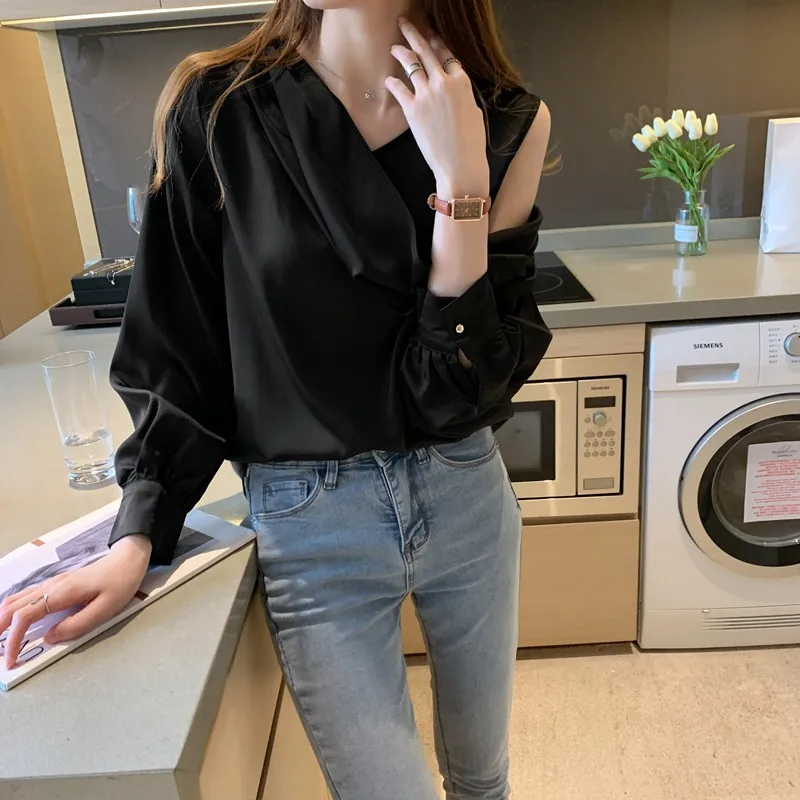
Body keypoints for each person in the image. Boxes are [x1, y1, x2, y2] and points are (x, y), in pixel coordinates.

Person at [0, 1, 551, 797]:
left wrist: (462, 183)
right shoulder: (219, 106)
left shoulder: (502, 120)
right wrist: (138, 532)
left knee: (483, 781)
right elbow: (180, 349)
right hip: (311, 521)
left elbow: (459, 389)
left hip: (464, 491)